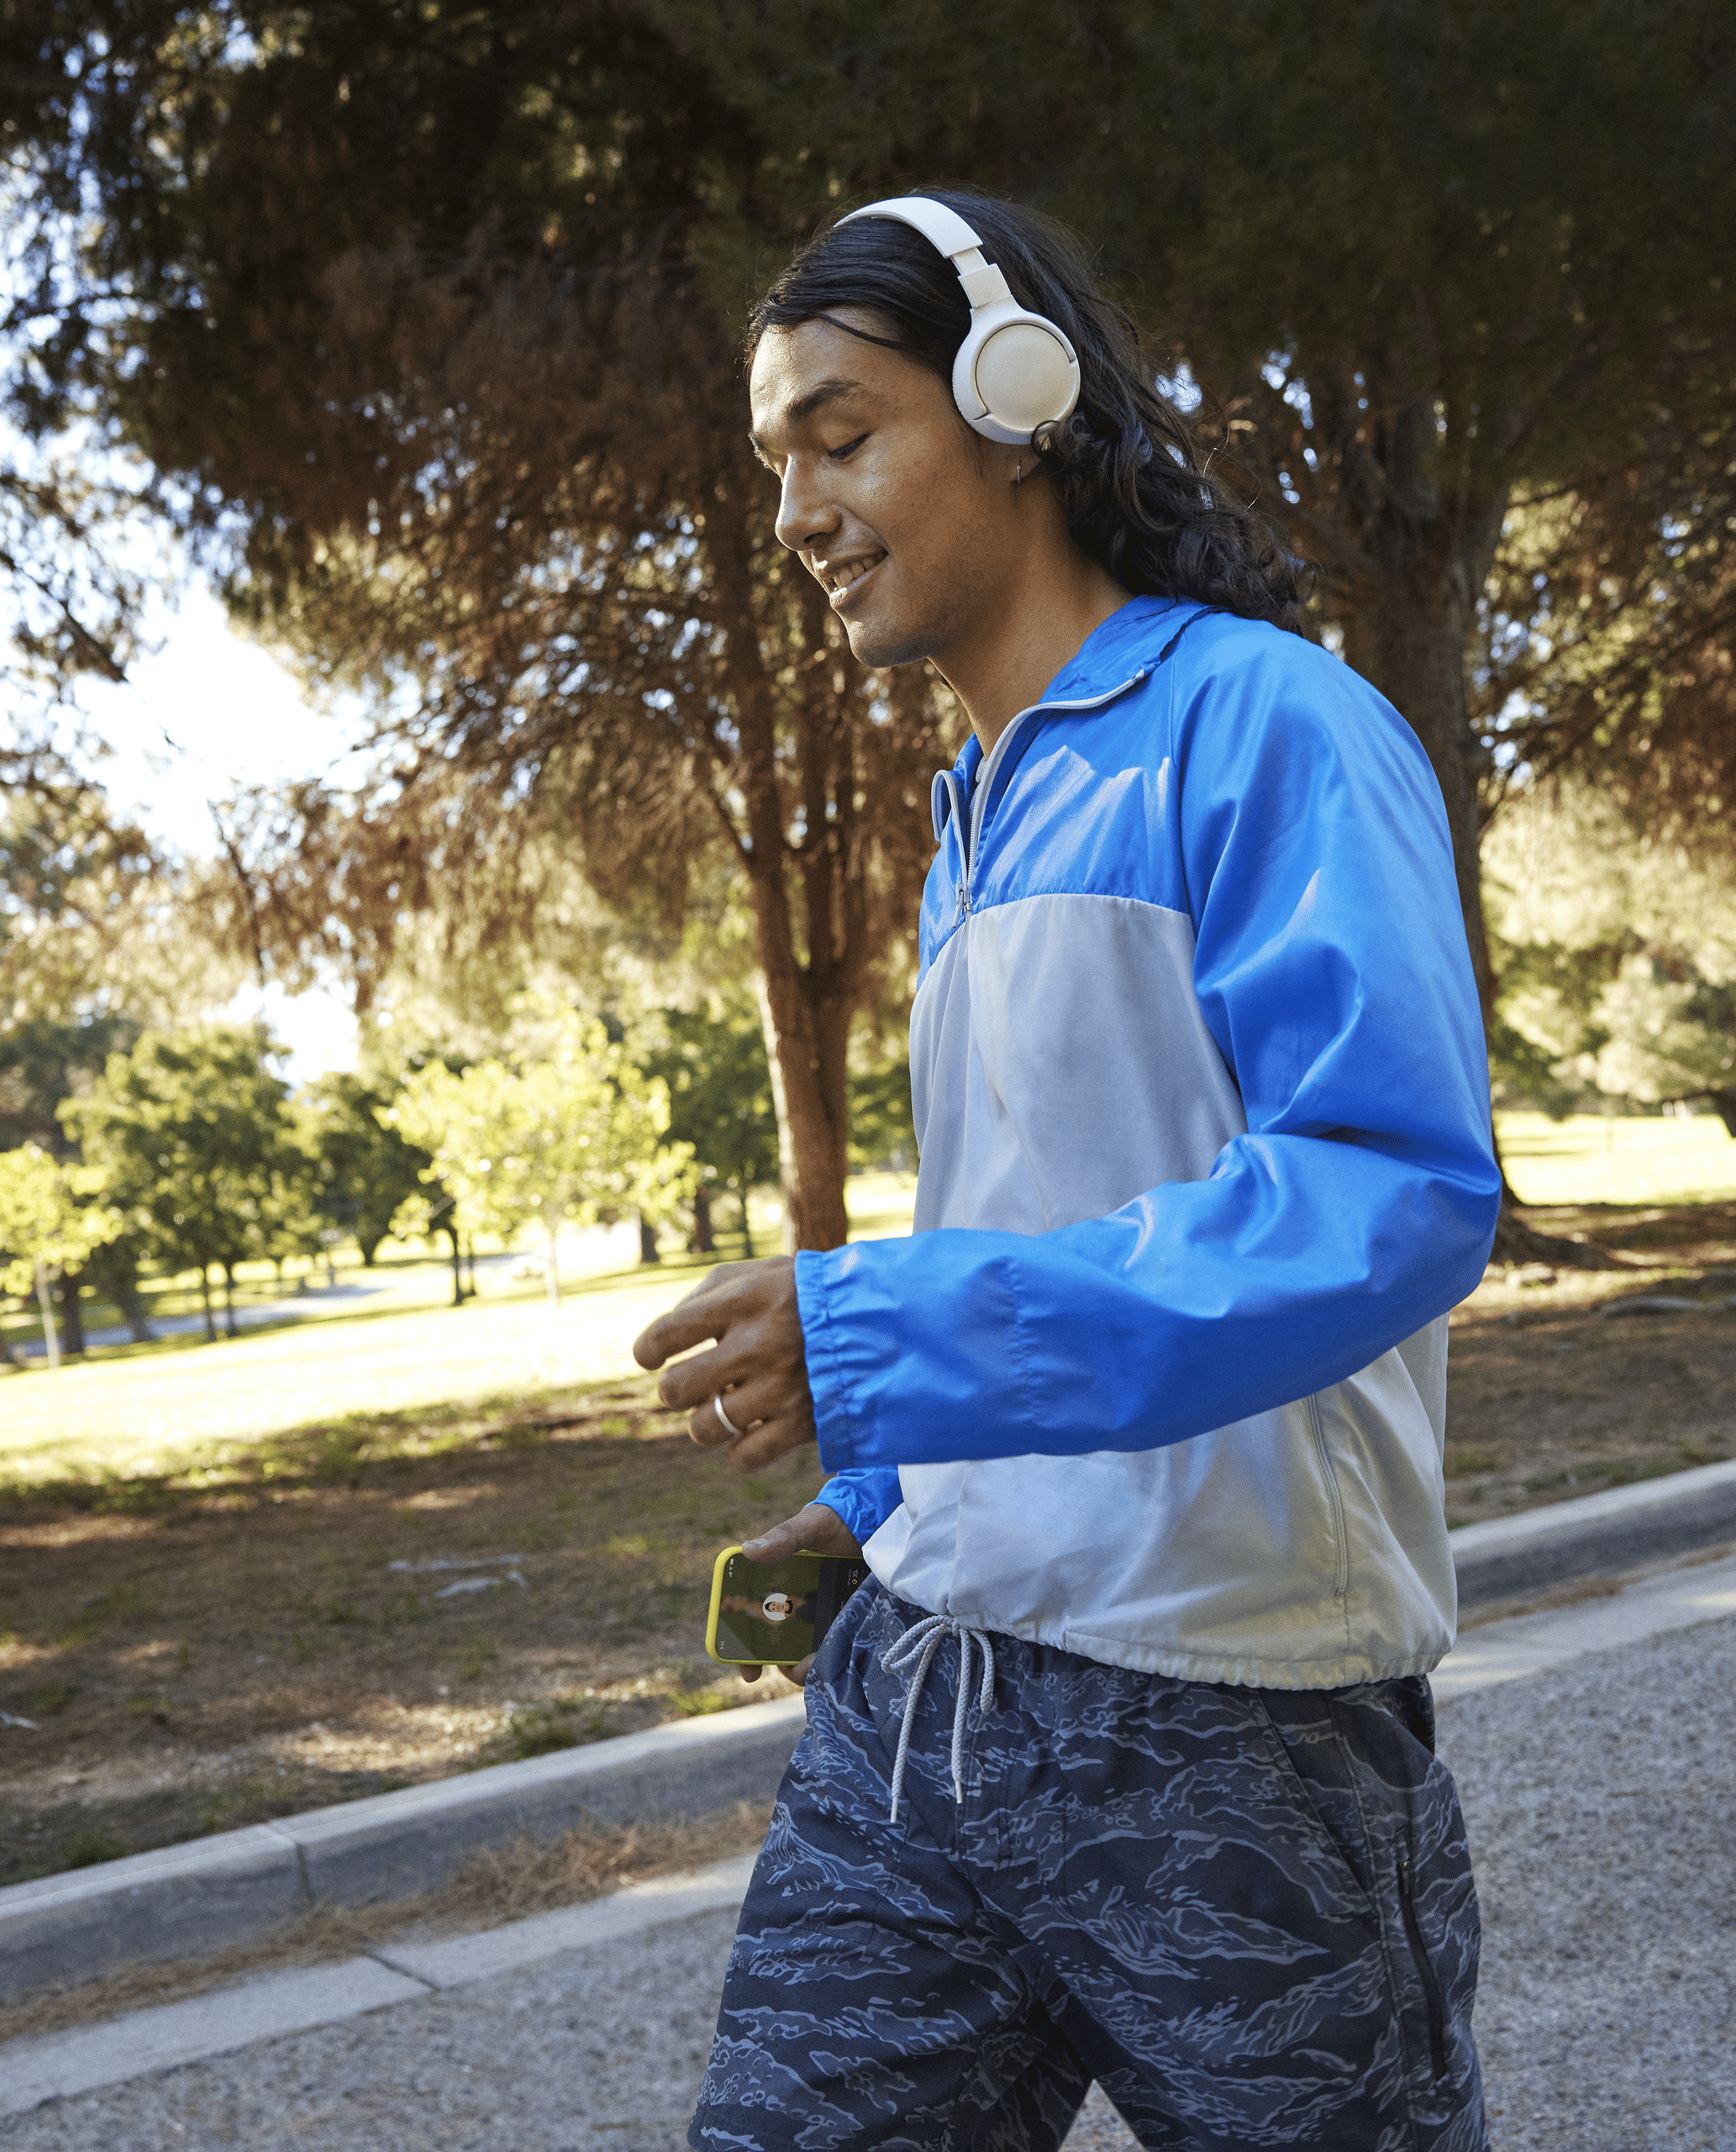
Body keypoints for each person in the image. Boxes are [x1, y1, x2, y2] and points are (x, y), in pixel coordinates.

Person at [631, 190, 1502, 2152]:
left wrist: (893, 1330)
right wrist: (886, 1492)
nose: (796, 510)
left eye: (841, 435)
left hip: (1235, 1724)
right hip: (923, 1697)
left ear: (1021, 396)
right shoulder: (980, 804)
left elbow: (1385, 1187)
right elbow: (1042, 1216)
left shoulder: (1270, 724)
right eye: (775, 461)